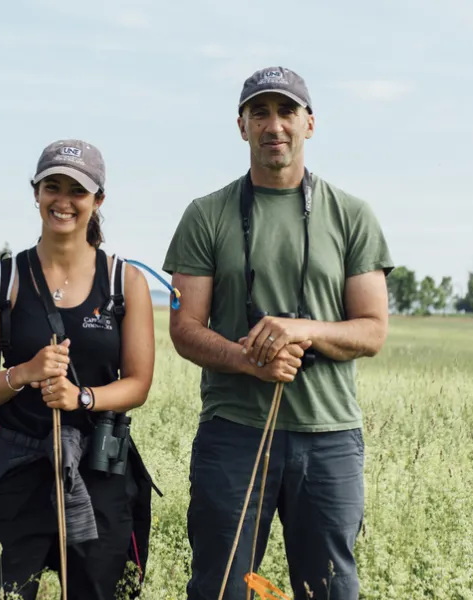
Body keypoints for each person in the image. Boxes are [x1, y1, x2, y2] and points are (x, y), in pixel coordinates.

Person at [162, 67, 394, 600]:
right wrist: (249, 360)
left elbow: (373, 330)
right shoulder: (205, 215)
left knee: (330, 590)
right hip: (234, 434)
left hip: (329, 436)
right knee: (221, 588)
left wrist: (300, 331)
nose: (274, 125)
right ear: (240, 126)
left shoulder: (353, 215)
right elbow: (184, 328)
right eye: (259, 113)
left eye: (286, 111)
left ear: (310, 123)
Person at [0, 139, 160, 600]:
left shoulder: (126, 282)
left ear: (98, 200)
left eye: (77, 191)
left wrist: (82, 398)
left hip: (100, 467)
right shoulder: (0, 280)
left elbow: (139, 384)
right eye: (52, 187)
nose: (63, 201)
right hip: (17, 464)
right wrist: (23, 373)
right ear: (36, 193)